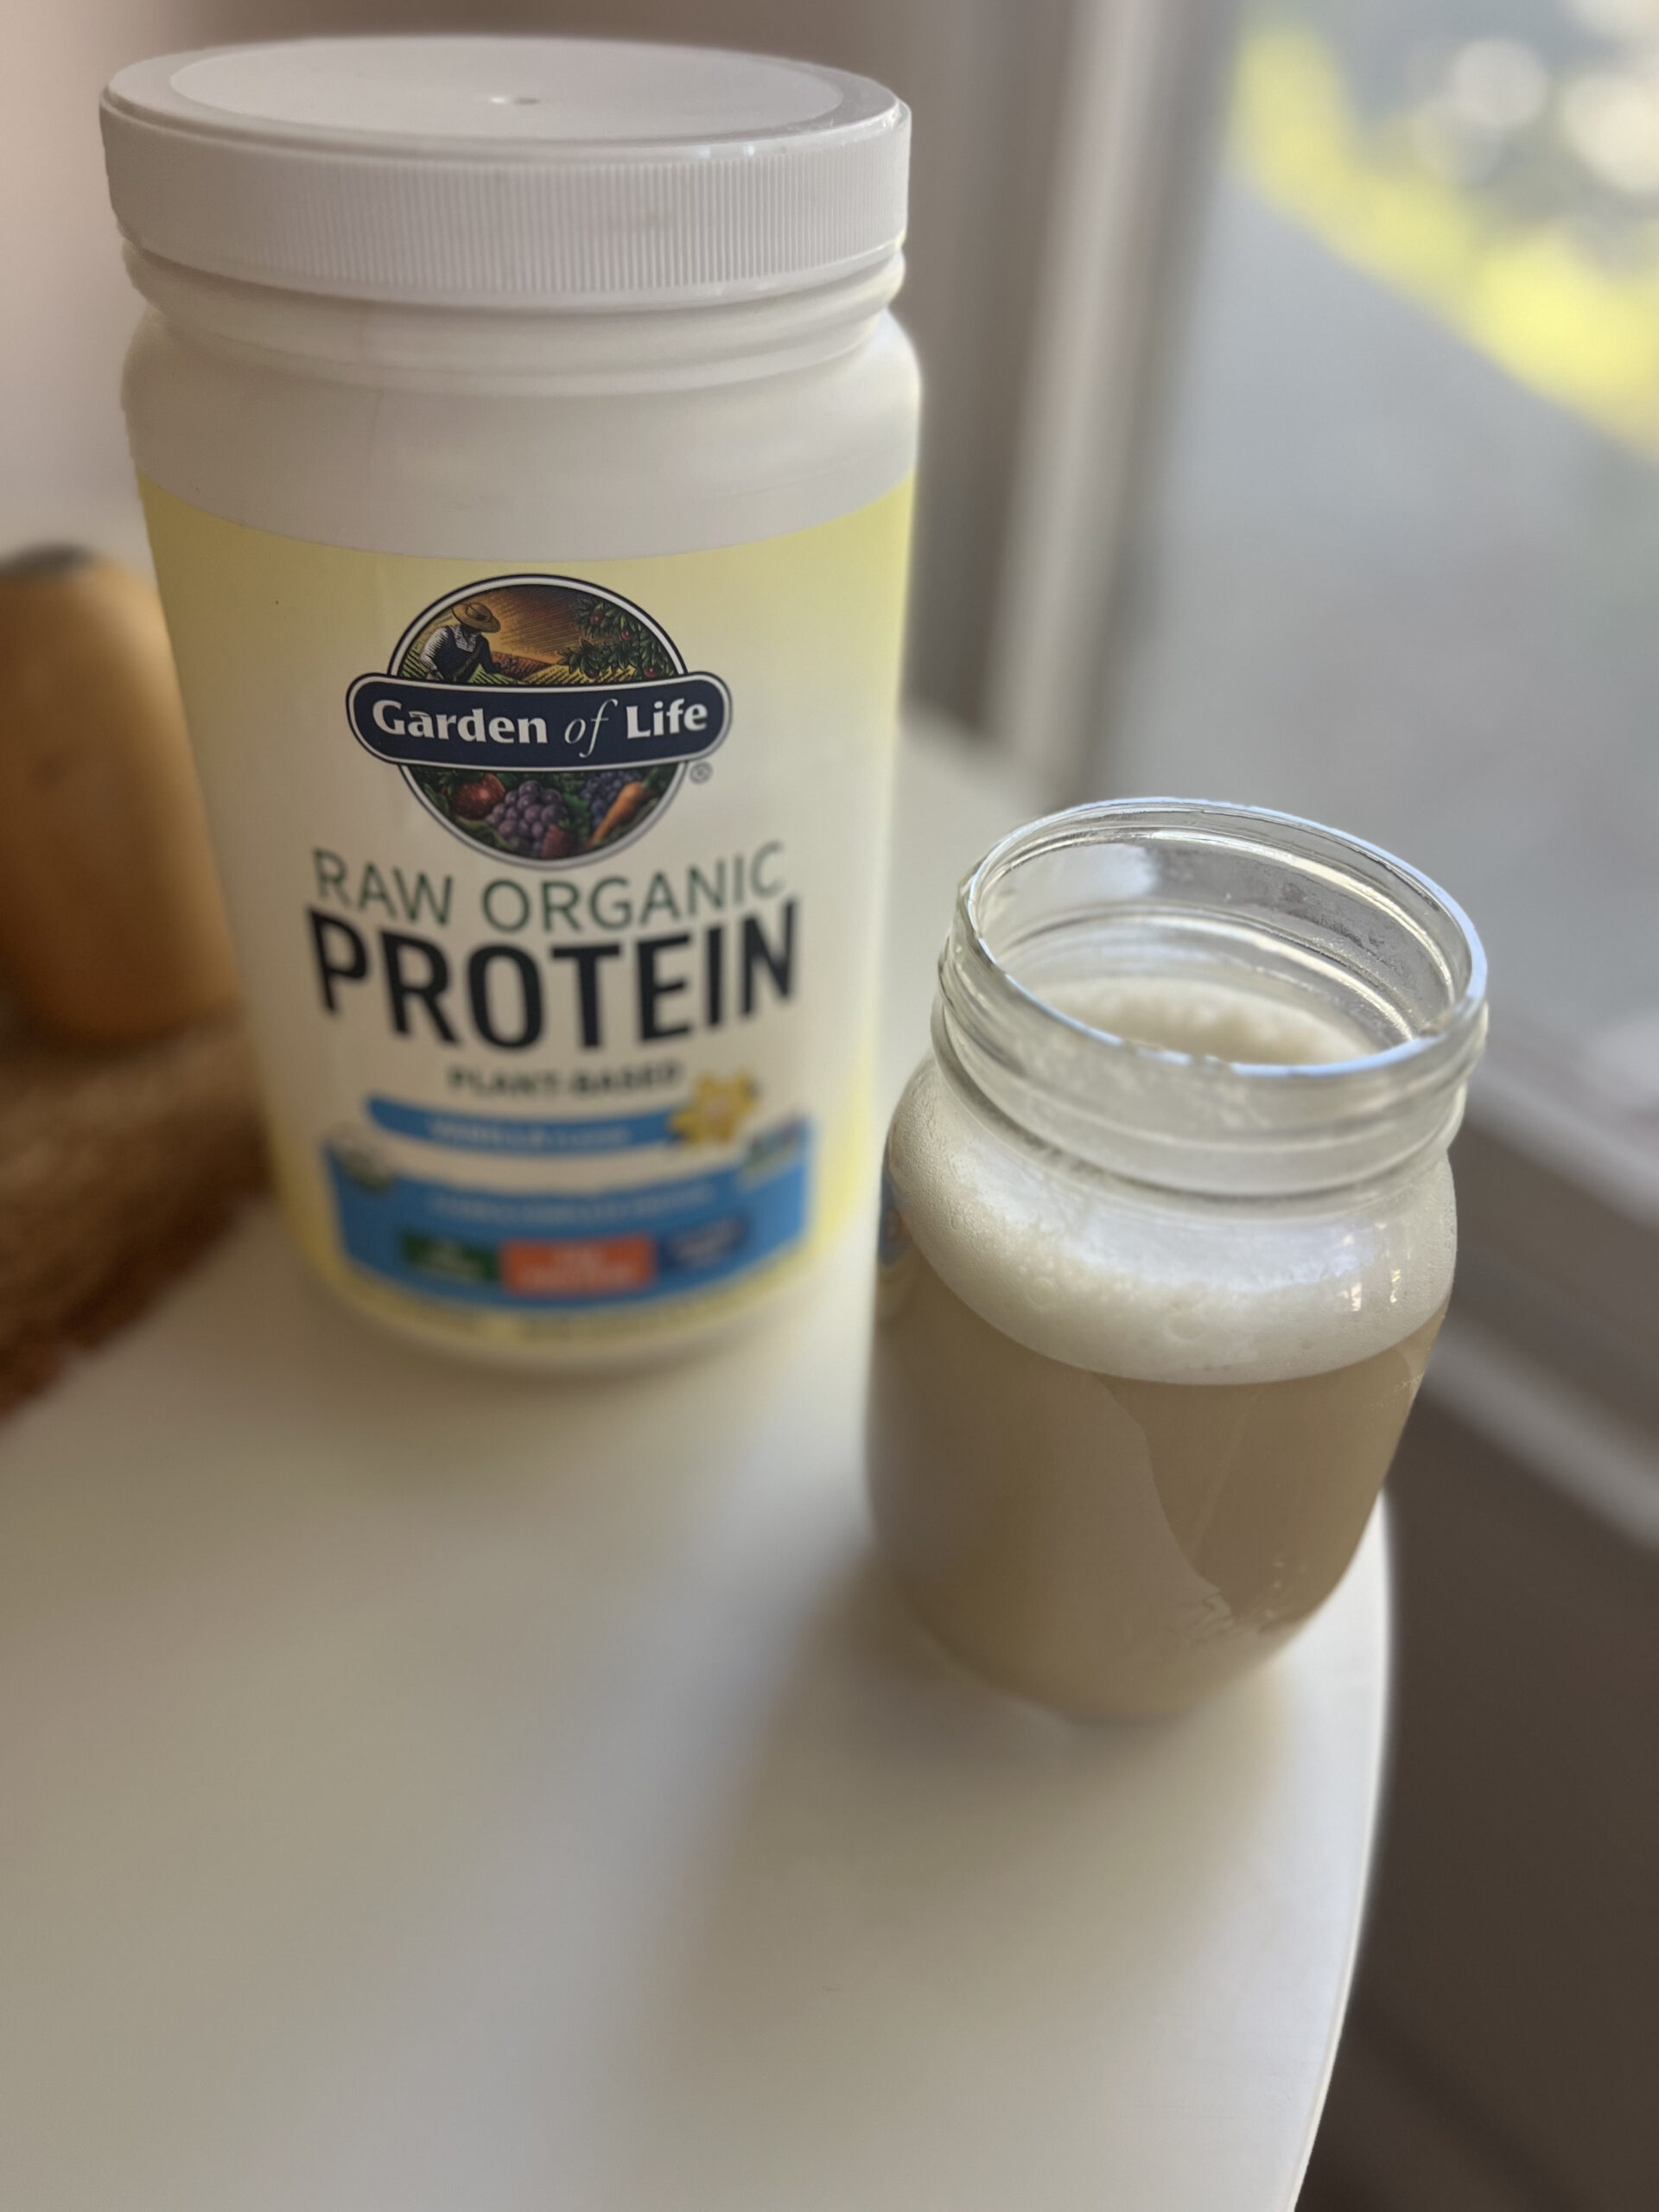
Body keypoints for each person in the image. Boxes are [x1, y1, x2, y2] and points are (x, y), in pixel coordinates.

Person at [414, 598, 500, 683]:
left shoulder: (482, 643)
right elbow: (425, 656)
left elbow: (489, 668)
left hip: (459, 687)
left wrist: (503, 667)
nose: (476, 630)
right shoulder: (443, 633)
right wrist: (435, 670)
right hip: (435, 681)